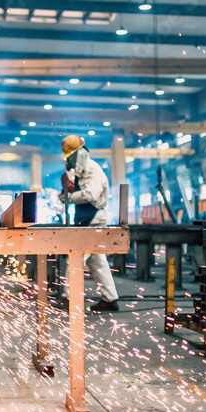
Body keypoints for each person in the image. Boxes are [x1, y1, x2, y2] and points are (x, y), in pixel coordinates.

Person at [59, 134, 120, 312]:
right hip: (85, 219)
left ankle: (68, 297)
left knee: (75, 259)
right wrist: (64, 193)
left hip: (93, 220)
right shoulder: (80, 171)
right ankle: (110, 298)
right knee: (97, 262)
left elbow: (90, 195)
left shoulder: (92, 169)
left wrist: (68, 197)